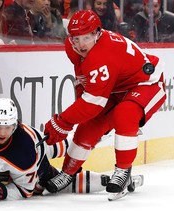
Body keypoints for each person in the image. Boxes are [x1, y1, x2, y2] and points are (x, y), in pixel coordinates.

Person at [42, 10, 166, 201]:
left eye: (87, 37)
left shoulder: (103, 54)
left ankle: (123, 171)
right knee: (87, 127)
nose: (81, 44)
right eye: (76, 38)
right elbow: (83, 76)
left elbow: (93, 104)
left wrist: (62, 122)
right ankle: (68, 173)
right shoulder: (72, 47)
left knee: (125, 115)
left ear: (98, 34)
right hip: (114, 87)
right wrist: (77, 110)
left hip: (146, 83)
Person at [0, 98, 126, 202]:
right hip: (33, 144)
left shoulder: (24, 153)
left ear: (15, 125)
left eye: (7, 127)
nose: (2, 133)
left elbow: (25, 191)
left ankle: (109, 173)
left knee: (57, 178)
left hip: (37, 153)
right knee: (68, 147)